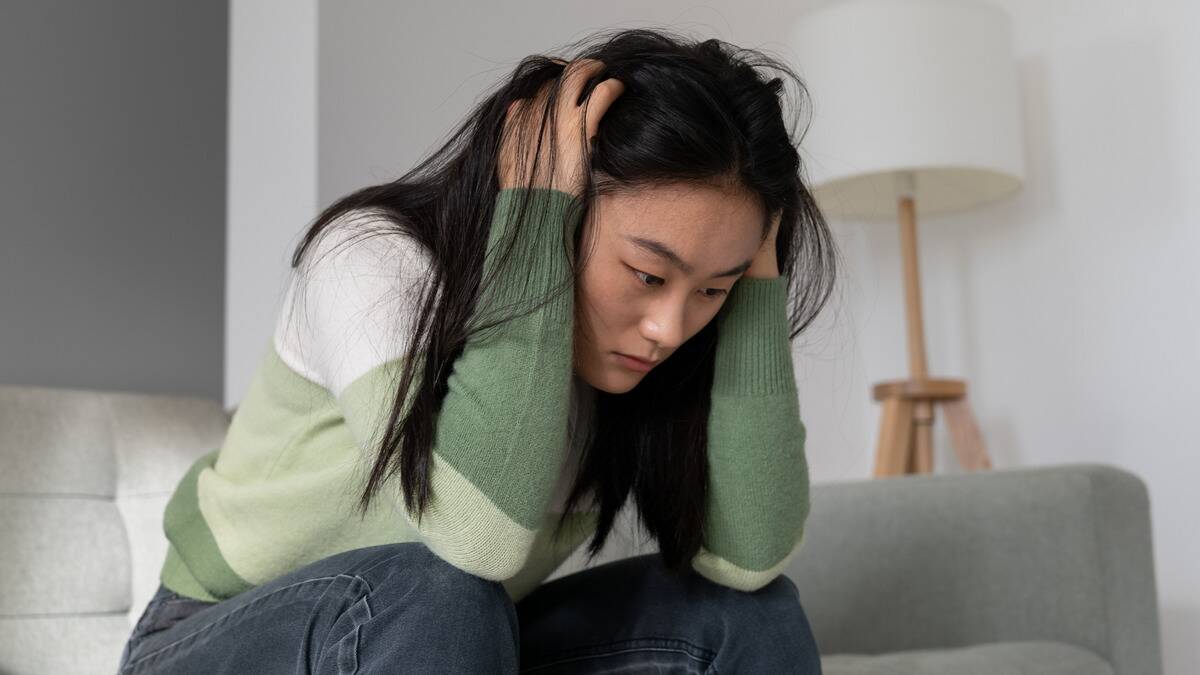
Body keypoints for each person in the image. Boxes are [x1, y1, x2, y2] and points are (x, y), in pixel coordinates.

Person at [117, 27, 838, 674]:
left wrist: (754, 295)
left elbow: (747, 559)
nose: (670, 328)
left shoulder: (639, 365)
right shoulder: (372, 261)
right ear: (557, 201)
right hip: (212, 643)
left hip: (451, 645)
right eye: (647, 275)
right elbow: (477, 542)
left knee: (748, 616)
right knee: (444, 591)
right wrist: (530, 233)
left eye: (711, 290)